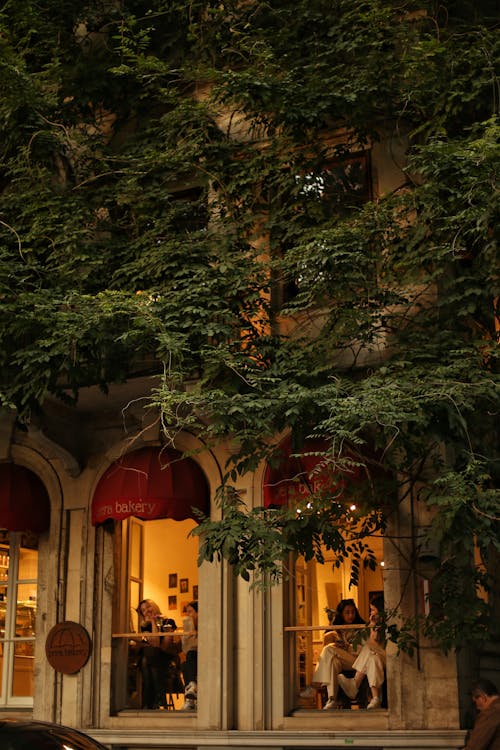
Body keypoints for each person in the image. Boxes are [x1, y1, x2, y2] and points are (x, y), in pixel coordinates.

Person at [301, 598, 365, 710]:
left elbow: (364, 650)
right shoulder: (337, 631)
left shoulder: (361, 628)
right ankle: (332, 699)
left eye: (353, 612)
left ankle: (315, 686)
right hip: (343, 662)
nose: (351, 615)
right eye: (347, 612)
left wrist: (347, 648)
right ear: (341, 614)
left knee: (329, 649)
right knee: (333, 662)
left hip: (359, 662)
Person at [338, 594, 386, 710]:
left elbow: (373, 642)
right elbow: (366, 642)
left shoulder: (387, 624)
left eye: (373, 610)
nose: (371, 613)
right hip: (376, 657)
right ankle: (375, 699)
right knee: (373, 658)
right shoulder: (374, 623)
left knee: (369, 649)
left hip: (387, 656)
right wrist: (372, 624)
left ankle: (355, 684)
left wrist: (375, 625)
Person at [136, 598, 182, 709]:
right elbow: (156, 642)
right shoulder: (145, 626)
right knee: (147, 660)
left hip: (167, 656)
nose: (147, 611)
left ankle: (149, 702)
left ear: (154, 606)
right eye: (143, 610)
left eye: (148, 607)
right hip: (155, 658)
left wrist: (154, 623)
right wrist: (152, 622)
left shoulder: (169, 622)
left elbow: (164, 646)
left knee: (146, 660)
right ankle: (160, 699)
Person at [463, 679, 500, 750]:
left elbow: (474, 747)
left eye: (475, 702)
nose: (476, 707)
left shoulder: (490, 713)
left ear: (483, 698)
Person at [181, 600, 198, 711]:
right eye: (187, 612)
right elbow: (185, 649)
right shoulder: (189, 627)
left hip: (205, 658)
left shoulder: (205, 626)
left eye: (190, 612)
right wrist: (187, 634)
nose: (188, 615)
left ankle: (190, 699)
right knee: (185, 664)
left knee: (191, 656)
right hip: (193, 658)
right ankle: (191, 692)